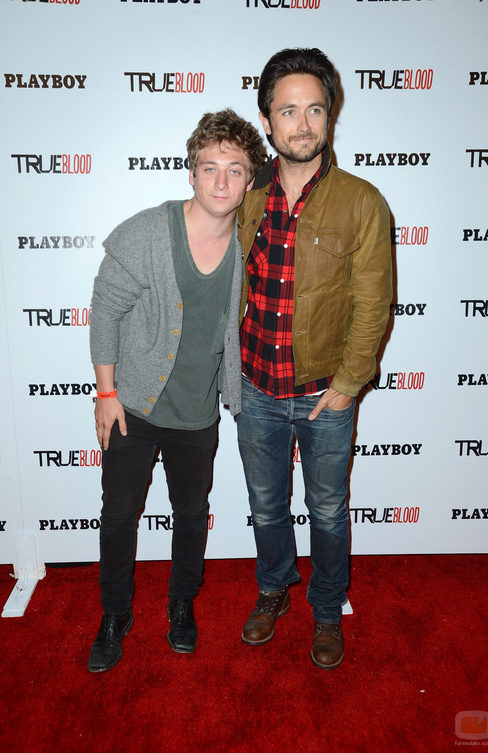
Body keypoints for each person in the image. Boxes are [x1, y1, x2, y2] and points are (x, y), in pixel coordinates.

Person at [87, 109, 265, 672]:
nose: (221, 182)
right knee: (119, 515)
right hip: (133, 406)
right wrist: (106, 394)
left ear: (249, 179)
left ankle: (181, 604)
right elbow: (104, 310)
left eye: (234, 170)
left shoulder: (250, 243)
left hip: (197, 412)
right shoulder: (147, 232)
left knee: (191, 514)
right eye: (210, 168)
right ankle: (115, 614)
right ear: (191, 173)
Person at [237, 49, 392, 669]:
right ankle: (273, 588)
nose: (302, 124)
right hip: (255, 387)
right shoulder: (246, 195)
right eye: (287, 110)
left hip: (327, 394)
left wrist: (350, 383)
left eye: (315, 110)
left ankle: (327, 609)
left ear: (331, 114)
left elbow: (373, 303)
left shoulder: (362, 201)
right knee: (266, 506)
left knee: (327, 511)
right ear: (266, 120)